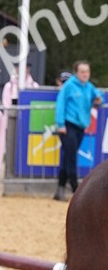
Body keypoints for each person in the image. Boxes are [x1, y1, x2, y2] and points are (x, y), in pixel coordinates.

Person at [53, 60, 103, 200]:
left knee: (68, 156)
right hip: (68, 125)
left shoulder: (88, 87)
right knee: (71, 156)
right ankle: (76, 187)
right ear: (76, 72)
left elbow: (98, 95)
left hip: (81, 126)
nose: (85, 74)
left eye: (87, 71)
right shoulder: (69, 86)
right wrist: (60, 123)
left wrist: (99, 99)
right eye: (82, 72)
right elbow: (60, 104)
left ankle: (60, 189)